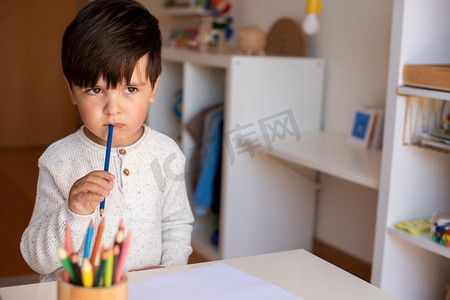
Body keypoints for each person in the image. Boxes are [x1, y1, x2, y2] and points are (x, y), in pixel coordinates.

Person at [20, 0, 194, 281]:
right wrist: (73, 211)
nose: (113, 108)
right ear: (72, 91)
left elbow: (176, 224)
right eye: (95, 89)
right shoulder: (58, 159)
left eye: (131, 88)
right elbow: (36, 259)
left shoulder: (166, 152)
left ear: (154, 88)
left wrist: (169, 274)